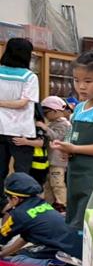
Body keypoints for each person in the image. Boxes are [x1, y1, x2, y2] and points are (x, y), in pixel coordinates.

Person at [52, 51, 93, 230]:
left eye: (88, 81)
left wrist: (74, 148)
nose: (81, 86)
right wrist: (65, 149)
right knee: (74, 211)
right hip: (75, 172)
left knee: (88, 214)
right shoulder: (79, 108)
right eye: (76, 80)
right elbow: (73, 136)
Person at [1, 172, 82, 266]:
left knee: (17, 260)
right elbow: (25, 238)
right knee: (24, 252)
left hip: (67, 255)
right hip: (77, 249)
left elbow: (2, 238)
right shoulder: (41, 203)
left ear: (15, 199)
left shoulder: (19, 214)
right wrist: (3, 254)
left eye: (8, 198)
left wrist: (6, 210)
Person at [0, 38, 39, 176]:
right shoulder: (30, 77)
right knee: (22, 172)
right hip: (21, 131)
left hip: (1, 128)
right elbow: (22, 103)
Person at [41, 96, 72, 211]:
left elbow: (56, 137)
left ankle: (62, 204)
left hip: (58, 161)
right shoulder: (52, 123)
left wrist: (45, 128)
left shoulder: (64, 124)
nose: (45, 116)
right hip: (51, 160)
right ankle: (49, 204)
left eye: (46, 113)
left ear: (55, 111)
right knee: (48, 185)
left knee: (57, 184)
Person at [11, 104, 50, 188]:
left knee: (36, 186)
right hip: (30, 164)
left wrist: (26, 142)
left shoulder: (38, 125)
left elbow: (42, 142)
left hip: (39, 164)